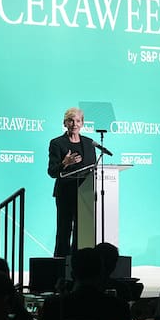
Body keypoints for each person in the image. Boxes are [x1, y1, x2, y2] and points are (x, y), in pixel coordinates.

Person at [47, 106, 99, 258]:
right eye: (70, 120)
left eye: (77, 121)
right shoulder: (57, 143)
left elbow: (92, 168)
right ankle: (60, 264)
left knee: (82, 232)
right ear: (65, 123)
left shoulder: (89, 143)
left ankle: (79, 263)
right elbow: (52, 171)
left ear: (82, 123)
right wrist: (65, 163)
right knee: (64, 230)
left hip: (85, 193)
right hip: (65, 193)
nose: (74, 124)